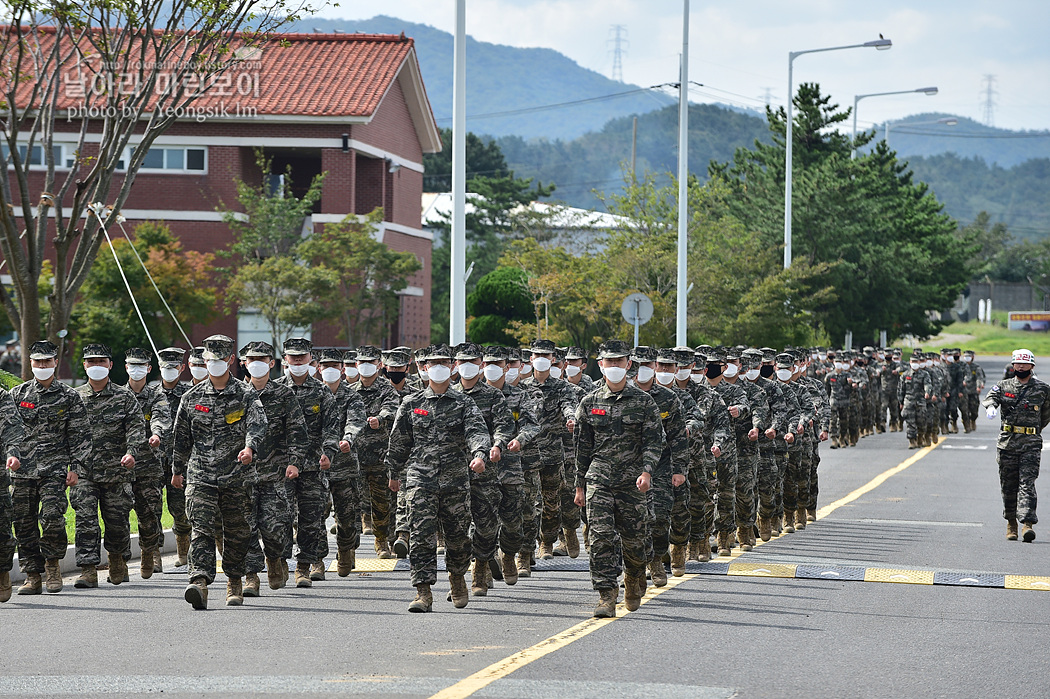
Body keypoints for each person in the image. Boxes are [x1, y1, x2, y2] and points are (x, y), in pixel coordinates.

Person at [386, 344, 491, 613]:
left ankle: (457, 578)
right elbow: (399, 442)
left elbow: (477, 432)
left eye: (445, 362)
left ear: (453, 366)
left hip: (456, 480)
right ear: (424, 368)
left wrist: (479, 454)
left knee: (457, 537)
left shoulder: (464, 403)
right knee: (421, 536)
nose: (440, 367)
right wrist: (394, 473)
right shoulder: (412, 404)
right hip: (420, 480)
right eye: (434, 363)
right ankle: (423, 592)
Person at [171, 334, 267, 609]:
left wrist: (250, 448)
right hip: (201, 475)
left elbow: (257, 425)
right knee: (201, 528)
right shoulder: (191, 397)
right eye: (209, 360)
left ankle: (234, 580)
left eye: (219, 360)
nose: (213, 364)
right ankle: (199, 582)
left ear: (231, 360)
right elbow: (181, 438)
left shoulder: (246, 395)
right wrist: (177, 470)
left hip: (237, 476)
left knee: (237, 532)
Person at [574, 340, 664, 618]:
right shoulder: (589, 403)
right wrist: (579, 485)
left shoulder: (644, 402)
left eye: (619, 361)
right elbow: (582, 448)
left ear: (628, 364)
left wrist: (647, 471)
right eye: (608, 362)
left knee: (634, 540)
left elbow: (653, 441)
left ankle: (634, 578)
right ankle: (605, 594)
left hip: (632, 481)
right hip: (599, 480)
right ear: (600, 365)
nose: (614, 366)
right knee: (601, 539)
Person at [10, 341, 91, 595]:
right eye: (38, 362)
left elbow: (81, 435)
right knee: (23, 523)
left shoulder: (69, 396)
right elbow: (8, 431)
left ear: (55, 363)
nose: (42, 366)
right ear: (30, 364)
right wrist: (9, 456)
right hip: (22, 471)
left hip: (54, 470)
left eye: (47, 362)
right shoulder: (18, 395)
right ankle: (33, 575)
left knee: (53, 518)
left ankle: (53, 566)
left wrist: (76, 467)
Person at [72, 343, 149, 588]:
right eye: (91, 362)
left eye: (101, 362)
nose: (96, 366)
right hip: (83, 471)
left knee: (116, 522)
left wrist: (131, 452)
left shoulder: (124, 397)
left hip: (116, 471)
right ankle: (87, 569)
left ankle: (117, 559)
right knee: (85, 519)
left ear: (110, 365)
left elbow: (137, 428)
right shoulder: (75, 397)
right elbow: (66, 433)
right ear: (84, 365)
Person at [452, 342, 517, 596]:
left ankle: (481, 564)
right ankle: (463, 575)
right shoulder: (449, 393)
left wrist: (498, 445)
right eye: (462, 361)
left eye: (472, 361)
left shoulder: (493, 396)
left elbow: (504, 425)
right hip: (453, 470)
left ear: (480, 364)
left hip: (485, 469)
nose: (467, 366)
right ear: (455, 365)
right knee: (456, 525)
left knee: (486, 524)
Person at [275, 337, 341, 587]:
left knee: (311, 518)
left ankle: (304, 565)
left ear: (310, 360)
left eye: (302, 358)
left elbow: (332, 427)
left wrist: (329, 452)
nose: (298, 362)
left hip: (313, 466)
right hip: (282, 466)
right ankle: (279, 562)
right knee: (280, 517)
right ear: (285, 360)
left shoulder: (321, 391)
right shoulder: (277, 390)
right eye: (293, 358)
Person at [242, 341, 307, 594]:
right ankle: (251, 575)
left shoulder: (283, 395)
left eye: (262, 358)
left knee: (275, 527)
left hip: (275, 472)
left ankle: (274, 560)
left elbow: (297, 431)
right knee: (244, 527)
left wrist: (294, 461)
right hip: (243, 474)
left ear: (272, 363)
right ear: (244, 363)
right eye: (251, 359)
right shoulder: (238, 394)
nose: (257, 363)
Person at [481, 345, 540, 585]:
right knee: (480, 519)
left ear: (507, 367)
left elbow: (532, 425)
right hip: (480, 467)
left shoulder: (519, 395)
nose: (494, 369)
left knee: (514, 520)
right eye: (489, 364)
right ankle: (481, 569)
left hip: (511, 466)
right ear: (483, 367)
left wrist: (520, 439)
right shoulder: (471, 395)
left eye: (499, 364)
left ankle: (508, 554)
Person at [983, 348, 1050, 543]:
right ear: (1013, 365)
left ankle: (1027, 524)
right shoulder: (1003, 386)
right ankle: (1011, 522)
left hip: (1030, 444)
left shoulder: (1043, 389)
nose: (1020, 366)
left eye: (1024, 363)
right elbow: (991, 398)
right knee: (1008, 484)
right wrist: (992, 407)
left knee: (1027, 483)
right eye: (1017, 363)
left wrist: (1033, 429)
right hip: (1007, 443)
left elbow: (1046, 415)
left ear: (1032, 366)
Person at [122, 347, 172, 578]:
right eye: (133, 365)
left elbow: (161, 418)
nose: (137, 369)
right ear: (125, 368)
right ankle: (120, 559)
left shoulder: (157, 395)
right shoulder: (118, 396)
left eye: (141, 366)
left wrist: (157, 435)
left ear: (149, 369)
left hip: (149, 464)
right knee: (118, 513)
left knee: (150, 512)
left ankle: (150, 552)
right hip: (121, 465)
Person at [317, 347, 367, 577]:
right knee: (314, 513)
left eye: (334, 367)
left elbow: (355, 421)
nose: (330, 370)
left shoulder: (352, 396)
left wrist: (348, 438)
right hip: (317, 464)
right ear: (319, 368)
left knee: (346, 515)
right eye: (325, 366)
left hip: (345, 464)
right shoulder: (314, 394)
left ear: (342, 369)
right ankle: (316, 558)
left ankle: (346, 552)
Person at [156, 347, 193, 566]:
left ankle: (182, 549)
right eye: (165, 367)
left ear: (181, 368)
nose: (169, 371)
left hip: (180, 461)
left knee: (180, 508)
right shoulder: (151, 394)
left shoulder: (189, 395)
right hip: (153, 460)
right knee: (151, 509)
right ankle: (154, 554)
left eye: (173, 367)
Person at [0, 380, 25, 603]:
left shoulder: (1, 396)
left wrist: (13, 453)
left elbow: (12, 428)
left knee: (2, 532)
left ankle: (2, 572)